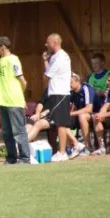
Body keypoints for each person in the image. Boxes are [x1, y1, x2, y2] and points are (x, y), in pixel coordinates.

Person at [0, 36, 30, 164]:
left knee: (19, 131)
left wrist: (21, 97)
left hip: (14, 101)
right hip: (3, 100)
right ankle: (11, 158)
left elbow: (22, 80)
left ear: (3, 47)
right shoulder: (1, 61)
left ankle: (25, 158)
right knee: (7, 132)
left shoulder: (13, 60)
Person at [43, 33, 71, 162]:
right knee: (59, 124)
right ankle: (66, 149)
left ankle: (62, 152)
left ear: (54, 43)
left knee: (60, 124)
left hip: (60, 93)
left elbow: (47, 75)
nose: (46, 44)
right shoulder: (55, 57)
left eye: (48, 42)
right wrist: (46, 61)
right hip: (56, 93)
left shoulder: (61, 57)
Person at [68, 73, 102, 158]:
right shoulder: (72, 93)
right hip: (82, 114)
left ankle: (87, 147)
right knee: (62, 119)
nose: (69, 84)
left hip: (96, 114)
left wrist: (71, 114)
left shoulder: (86, 88)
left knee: (82, 116)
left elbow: (89, 109)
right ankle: (69, 148)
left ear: (77, 81)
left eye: (71, 82)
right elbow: (73, 107)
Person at [91, 74, 110, 155]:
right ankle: (102, 148)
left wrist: (104, 115)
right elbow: (105, 105)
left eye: (109, 80)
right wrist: (101, 114)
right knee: (96, 116)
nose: (106, 82)